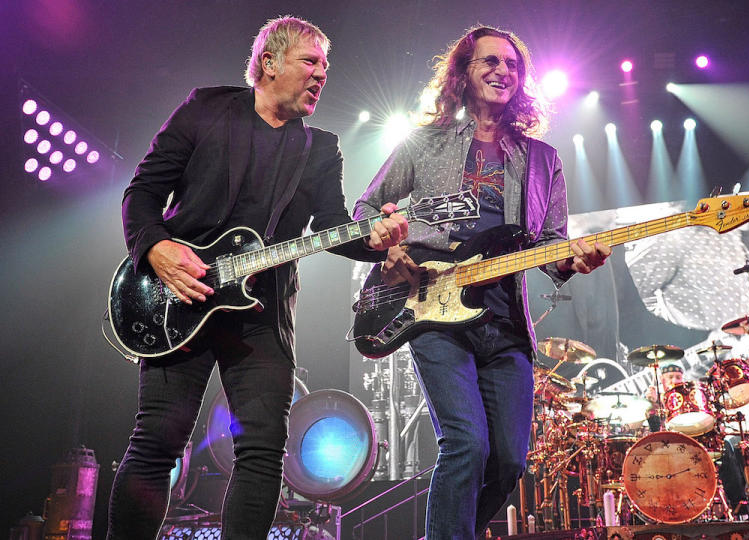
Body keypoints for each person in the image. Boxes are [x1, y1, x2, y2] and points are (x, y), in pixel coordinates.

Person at [108, 16, 408, 540]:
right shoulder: (205, 108)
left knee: (264, 448)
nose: (322, 75)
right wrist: (155, 248)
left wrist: (374, 241)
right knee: (158, 439)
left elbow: (334, 228)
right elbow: (143, 192)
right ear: (268, 62)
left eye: (326, 67)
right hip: (176, 296)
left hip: (260, 311)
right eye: (310, 62)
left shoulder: (320, 147)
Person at [354, 25, 610, 539]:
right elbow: (365, 208)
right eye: (489, 62)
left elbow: (549, 244)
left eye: (513, 65)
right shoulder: (424, 143)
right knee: (467, 443)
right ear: (463, 73)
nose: (503, 72)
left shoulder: (542, 159)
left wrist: (572, 260)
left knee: (511, 459)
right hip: (431, 306)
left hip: (505, 318)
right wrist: (392, 243)